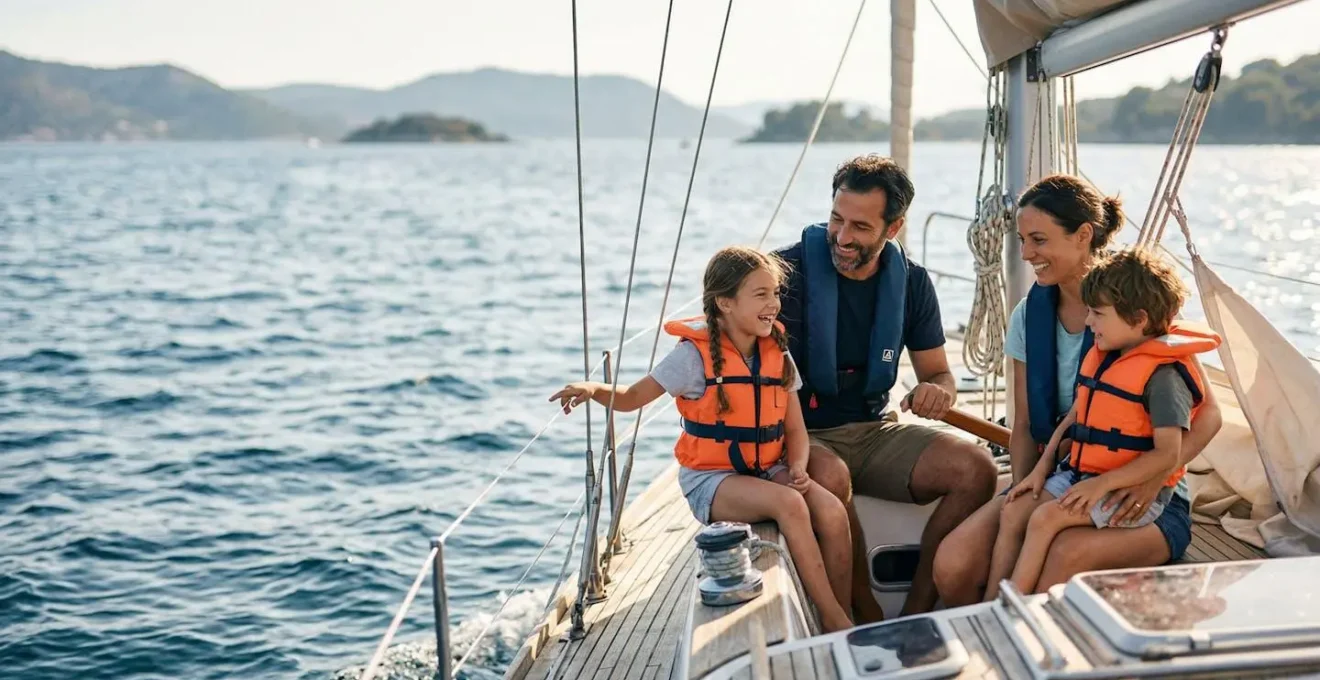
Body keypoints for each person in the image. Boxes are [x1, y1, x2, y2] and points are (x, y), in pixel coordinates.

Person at [932, 175, 1223, 605]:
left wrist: (1153, 478)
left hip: (1144, 496)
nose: (1027, 254)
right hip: (1065, 478)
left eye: (1038, 240)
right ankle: (989, 639)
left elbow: (1211, 417)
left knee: (1061, 559)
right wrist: (1027, 484)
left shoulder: (1133, 303)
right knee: (953, 565)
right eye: (1022, 240)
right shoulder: (1028, 317)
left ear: (1083, 235)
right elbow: (1026, 424)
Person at [549, 246, 854, 632]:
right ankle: (833, 617)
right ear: (725, 302)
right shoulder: (691, 358)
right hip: (712, 481)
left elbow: (795, 429)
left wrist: (796, 465)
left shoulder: (776, 350)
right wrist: (593, 388)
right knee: (792, 505)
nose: (774, 303)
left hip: (769, 469)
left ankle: (840, 613)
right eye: (761, 295)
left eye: (775, 293)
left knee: (831, 511)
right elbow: (631, 399)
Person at [774, 155, 997, 620]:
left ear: (892, 228)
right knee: (831, 477)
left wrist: (940, 392)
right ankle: (867, 610)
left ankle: (917, 609)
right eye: (837, 219)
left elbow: (939, 373)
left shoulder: (912, 283)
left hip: (875, 430)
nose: (842, 236)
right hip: (800, 435)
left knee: (976, 469)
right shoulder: (781, 276)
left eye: (859, 226)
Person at [982, 248, 1222, 600]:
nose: (1089, 322)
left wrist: (1102, 485)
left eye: (1097, 313)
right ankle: (989, 606)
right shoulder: (1109, 356)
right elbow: (1073, 419)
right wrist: (1041, 468)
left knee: (1046, 520)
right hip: (1083, 475)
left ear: (1139, 319)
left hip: (1127, 491)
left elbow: (1167, 454)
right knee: (1017, 510)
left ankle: (1014, 610)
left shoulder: (1164, 376)